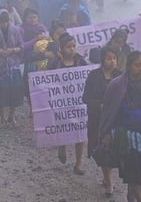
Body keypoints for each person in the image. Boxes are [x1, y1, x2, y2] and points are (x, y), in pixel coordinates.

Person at [100, 51, 141, 202]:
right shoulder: (117, 85)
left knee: (138, 174)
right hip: (128, 136)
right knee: (134, 173)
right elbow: (110, 112)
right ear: (128, 66)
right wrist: (108, 133)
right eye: (137, 65)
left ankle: (131, 197)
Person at [82, 47, 121, 197]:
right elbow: (85, 98)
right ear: (102, 60)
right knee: (101, 149)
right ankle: (109, 181)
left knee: (112, 149)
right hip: (97, 120)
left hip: (116, 121)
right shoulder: (94, 76)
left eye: (114, 58)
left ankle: (108, 178)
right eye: (109, 58)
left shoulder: (120, 76)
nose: (112, 62)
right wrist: (99, 105)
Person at [47, 32, 87, 175]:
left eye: (74, 46)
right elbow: (46, 80)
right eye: (68, 46)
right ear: (62, 48)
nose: (72, 49)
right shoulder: (55, 63)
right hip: (61, 103)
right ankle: (62, 146)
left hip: (78, 102)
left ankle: (78, 164)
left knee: (81, 132)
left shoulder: (81, 61)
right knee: (63, 127)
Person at [19, 8, 49, 116]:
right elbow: (22, 46)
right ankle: (32, 107)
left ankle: (43, 106)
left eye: (35, 17)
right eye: (30, 18)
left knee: (43, 85)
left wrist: (45, 37)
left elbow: (49, 41)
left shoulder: (41, 27)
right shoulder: (21, 29)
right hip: (29, 61)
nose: (33, 20)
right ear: (24, 18)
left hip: (42, 60)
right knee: (30, 86)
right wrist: (35, 40)